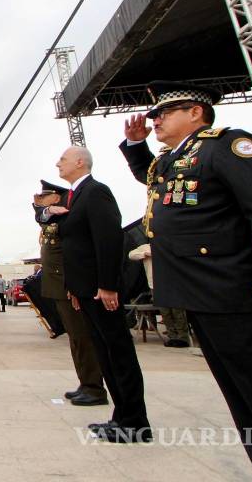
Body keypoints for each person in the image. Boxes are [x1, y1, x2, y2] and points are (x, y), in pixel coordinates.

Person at [121, 80, 252, 476]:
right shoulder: (178, 158)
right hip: (206, 296)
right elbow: (156, 183)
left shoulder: (228, 146)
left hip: (243, 295)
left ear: (196, 112)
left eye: (164, 112)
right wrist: (135, 146)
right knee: (245, 402)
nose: (156, 120)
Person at [55, 146, 150, 443]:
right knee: (106, 354)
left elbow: (109, 241)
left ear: (80, 162)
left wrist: (107, 285)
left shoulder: (96, 192)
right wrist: (74, 287)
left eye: (64, 159)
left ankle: (135, 422)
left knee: (118, 353)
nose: (59, 163)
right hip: (86, 290)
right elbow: (77, 248)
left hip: (101, 291)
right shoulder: (76, 195)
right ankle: (121, 417)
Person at [33, 181, 108, 407]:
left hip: (68, 285)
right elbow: (38, 214)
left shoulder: (67, 217)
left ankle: (94, 388)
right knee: (75, 338)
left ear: (56, 197)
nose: (37, 199)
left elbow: (74, 255)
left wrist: (75, 286)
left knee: (82, 337)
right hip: (58, 286)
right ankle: (85, 383)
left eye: (42, 196)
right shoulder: (52, 217)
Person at [127, 243, 189, 347]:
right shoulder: (146, 247)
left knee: (177, 310)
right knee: (165, 311)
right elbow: (131, 255)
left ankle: (183, 337)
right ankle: (172, 336)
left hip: (172, 282)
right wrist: (145, 254)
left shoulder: (168, 245)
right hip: (155, 284)